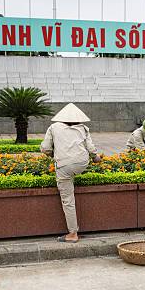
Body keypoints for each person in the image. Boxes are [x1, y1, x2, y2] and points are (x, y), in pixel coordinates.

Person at [40, 103, 101, 243]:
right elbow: (91, 150)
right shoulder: (84, 128)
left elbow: (45, 148)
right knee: (73, 171)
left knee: (68, 200)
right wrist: (97, 158)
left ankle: (72, 234)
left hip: (65, 166)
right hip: (82, 164)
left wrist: (54, 154)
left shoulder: (53, 127)